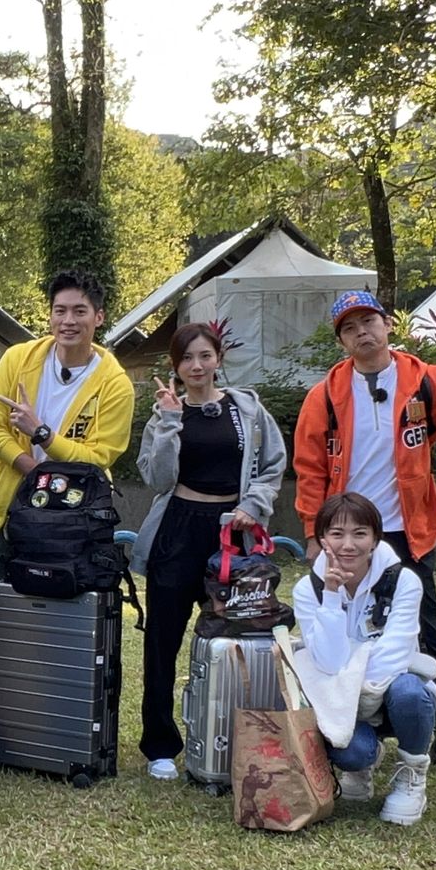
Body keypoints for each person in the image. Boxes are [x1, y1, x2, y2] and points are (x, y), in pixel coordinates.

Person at [292, 290, 436, 784]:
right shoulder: (324, 395)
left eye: (369, 321)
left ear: (387, 325)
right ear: (341, 339)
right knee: (336, 625)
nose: (362, 332)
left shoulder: (424, 381)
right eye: (349, 327)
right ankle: (341, 726)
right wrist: (315, 534)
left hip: (407, 531)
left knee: (427, 630)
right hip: (344, 533)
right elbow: (309, 467)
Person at [129, 322, 286, 781]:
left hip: (233, 535)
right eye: (186, 359)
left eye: (204, 356)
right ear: (175, 366)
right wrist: (170, 420)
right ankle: (160, 745)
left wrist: (253, 505)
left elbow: (273, 464)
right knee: (163, 640)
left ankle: (239, 736)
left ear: (218, 358)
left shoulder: (247, 409)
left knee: (239, 639)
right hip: (178, 530)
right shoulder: (165, 414)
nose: (196, 367)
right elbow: (156, 479)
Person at [288, 491, 436, 825]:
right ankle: (365, 761)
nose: (348, 545)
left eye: (360, 534)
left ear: (375, 539)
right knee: (352, 752)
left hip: (385, 687)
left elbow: (395, 650)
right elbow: (327, 661)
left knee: (412, 693)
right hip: (340, 696)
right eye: (337, 534)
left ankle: (412, 774)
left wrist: (361, 688)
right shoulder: (307, 589)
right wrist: (330, 596)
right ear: (322, 538)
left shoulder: (402, 581)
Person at [0, 269, 135, 573]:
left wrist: (42, 434)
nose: (68, 321)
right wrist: (30, 467)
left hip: (77, 520)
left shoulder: (114, 384)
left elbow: (99, 457)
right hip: (12, 511)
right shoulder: (18, 360)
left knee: (64, 612)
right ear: (50, 315)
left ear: (98, 317)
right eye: (59, 311)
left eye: (80, 311)